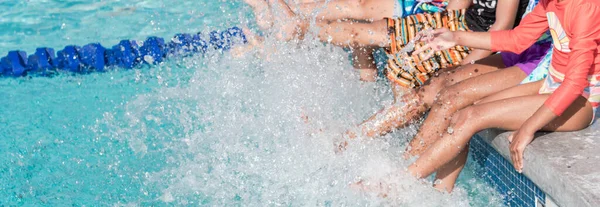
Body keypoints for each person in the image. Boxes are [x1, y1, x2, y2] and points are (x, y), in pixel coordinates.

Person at [387, 0, 600, 193]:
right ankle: (441, 193)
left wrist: (527, 128)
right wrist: (454, 37)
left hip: (580, 101)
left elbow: (574, 84)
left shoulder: (584, 7)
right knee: (459, 113)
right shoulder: (550, 2)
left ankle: (397, 184)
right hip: (550, 85)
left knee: (471, 117)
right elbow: (517, 39)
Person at [243, 0, 449, 81]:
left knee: (358, 10)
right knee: (356, 9)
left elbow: (455, 17)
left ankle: (288, 23)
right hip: (423, 9)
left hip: (428, 18)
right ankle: (284, 23)